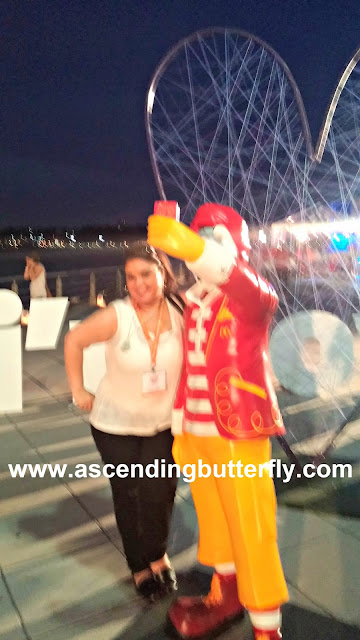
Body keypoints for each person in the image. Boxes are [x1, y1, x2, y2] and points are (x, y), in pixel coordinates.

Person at [148, 204, 288, 639]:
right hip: (198, 434)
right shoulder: (195, 302)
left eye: (213, 237)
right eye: (197, 236)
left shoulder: (253, 295)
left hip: (239, 435)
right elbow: (192, 369)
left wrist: (191, 245)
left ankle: (267, 627)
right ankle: (224, 595)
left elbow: (238, 279)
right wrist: (180, 427)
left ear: (235, 246)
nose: (202, 247)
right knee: (214, 520)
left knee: (251, 526)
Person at [64, 242, 184, 602]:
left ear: (163, 273)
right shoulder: (117, 314)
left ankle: (158, 554)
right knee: (129, 495)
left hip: (164, 424)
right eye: (131, 277)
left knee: (160, 494)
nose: (138, 283)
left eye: (146, 274)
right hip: (115, 426)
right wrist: (78, 390)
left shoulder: (181, 310)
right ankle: (139, 565)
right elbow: (73, 341)